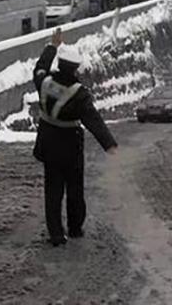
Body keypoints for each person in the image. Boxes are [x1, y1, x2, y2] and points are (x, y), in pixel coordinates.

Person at [32, 28, 118, 246]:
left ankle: (56, 234)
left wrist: (52, 45)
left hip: (48, 144)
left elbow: (40, 67)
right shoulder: (79, 94)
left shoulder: (45, 82)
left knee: (52, 190)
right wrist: (108, 143)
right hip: (70, 147)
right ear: (75, 69)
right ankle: (75, 228)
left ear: (60, 65)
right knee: (74, 189)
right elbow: (93, 120)